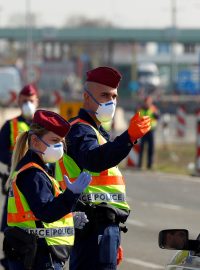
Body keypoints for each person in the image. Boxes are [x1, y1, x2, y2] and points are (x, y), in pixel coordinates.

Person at [55, 66, 151, 270]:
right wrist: (129, 137)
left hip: (103, 226)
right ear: (86, 97)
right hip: (91, 224)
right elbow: (94, 160)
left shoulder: (95, 131)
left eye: (114, 96)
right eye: (104, 95)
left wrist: (113, 234)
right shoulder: (80, 130)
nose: (111, 101)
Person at [4, 109, 91, 270]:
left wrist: (70, 218)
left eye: (61, 141)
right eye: (55, 140)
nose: (60, 146)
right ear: (35, 141)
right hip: (39, 257)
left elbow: (38, 213)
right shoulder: (33, 174)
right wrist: (71, 195)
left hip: (37, 254)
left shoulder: (38, 171)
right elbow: (46, 212)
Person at [0, 84, 39, 270]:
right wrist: (17, 160)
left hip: (39, 183)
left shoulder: (43, 127)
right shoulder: (10, 125)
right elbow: (0, 151)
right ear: (18, 101)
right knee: (13, 232)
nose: (28, 104)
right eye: (24, 101)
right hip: (15, 184)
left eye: (31, 101)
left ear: (37, 101)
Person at [138, 95, 160, 170]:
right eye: (146, 102)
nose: (147, 103)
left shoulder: (153, 109)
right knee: (141, 148)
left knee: (151, 148)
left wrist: (156, 114)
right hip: (143, 131)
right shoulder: (140, 109)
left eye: (149, 102)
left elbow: (158, 117)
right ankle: (139, 164)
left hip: (151, 130)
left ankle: (149, 165)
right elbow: (137, 118)